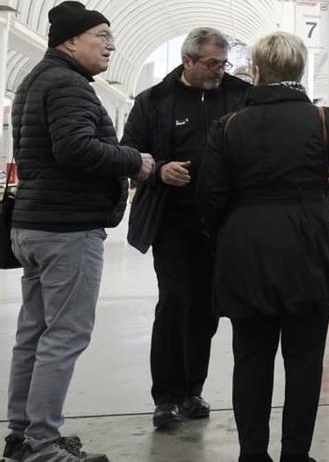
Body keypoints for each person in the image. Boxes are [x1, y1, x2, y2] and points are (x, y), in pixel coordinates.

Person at [197, 32, 329, 462]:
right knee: (304, 359)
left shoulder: (229, 125)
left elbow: (209, 199)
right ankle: (296, 454)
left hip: (247, 251)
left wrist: (229, 235)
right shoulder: (322, 119)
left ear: (257, 71)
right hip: (308, 251)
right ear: (299, 70)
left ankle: (252, 454)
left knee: (251, 358)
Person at [3, 2, 154, 462]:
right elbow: (75, 149)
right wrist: (136, 161)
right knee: (64, 336)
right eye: (101, 36)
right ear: (70, 41)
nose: (111, 46)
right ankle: (43, 443)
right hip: (65, 229)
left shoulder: (37, 80)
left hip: (35, 225)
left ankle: (22, 436)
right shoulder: (67, 85)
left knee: (34, 334)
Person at [120, 27, 251, 429]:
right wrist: (159, 170)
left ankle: (193, 389)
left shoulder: (240, 95)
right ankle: (166, 397)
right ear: (187, 60)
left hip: (222, 223)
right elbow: (128, 153)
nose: (219, 71)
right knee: (174, 303)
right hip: (173, 221)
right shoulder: (154, 101)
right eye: (211, 63)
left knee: (206, 310)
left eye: (224, 63)